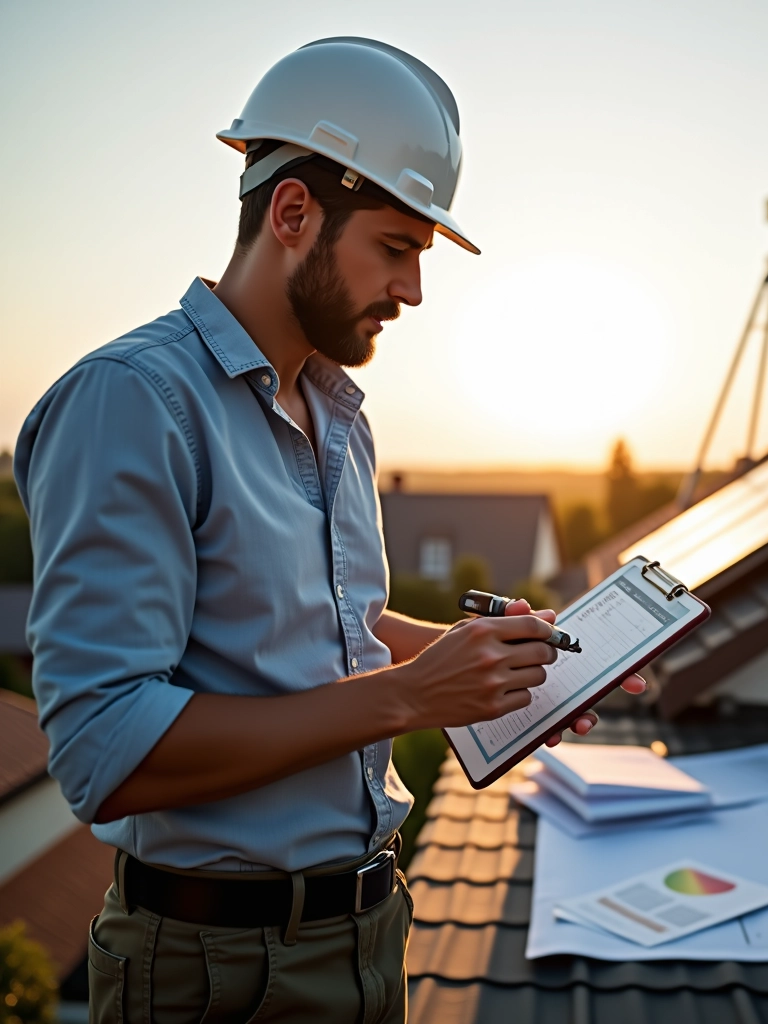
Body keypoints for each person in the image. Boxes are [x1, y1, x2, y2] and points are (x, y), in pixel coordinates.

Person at [14, 38, 645, 1024]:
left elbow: (333, 619)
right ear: (293, 213)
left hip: (370, 935)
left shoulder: (334, 411)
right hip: (216, 970)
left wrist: (485, 662)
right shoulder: (131, 402)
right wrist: (409, 697)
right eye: (394, 248)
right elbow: (105, 751)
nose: (414, 289)